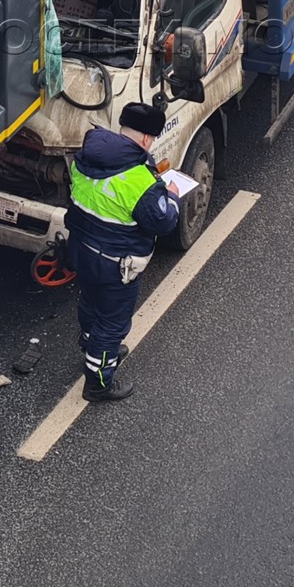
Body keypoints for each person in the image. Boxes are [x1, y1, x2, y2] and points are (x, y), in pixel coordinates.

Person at [65, 102, 179, 402]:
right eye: (152, 140)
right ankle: (99, 383)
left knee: (90, 304)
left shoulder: (84, 158)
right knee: (112, 323)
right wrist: (174, 198)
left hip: (80, 251)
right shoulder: (140, 181)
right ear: (145, 140)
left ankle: (90, 349)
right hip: (115, 265)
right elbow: (163, 221)